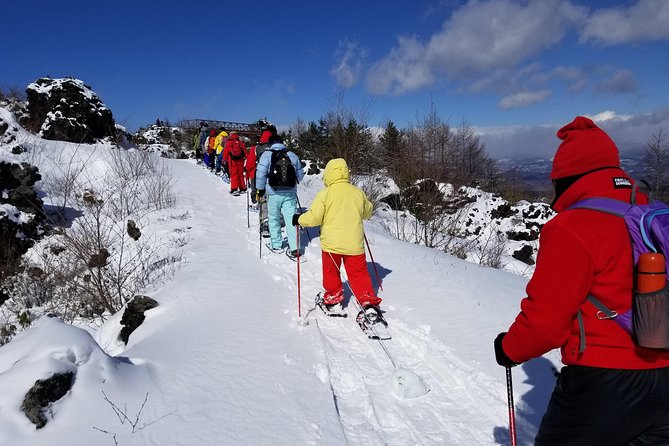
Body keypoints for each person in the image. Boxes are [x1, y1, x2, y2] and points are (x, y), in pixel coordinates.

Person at [494, 116, 669, 445]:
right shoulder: (652, 212)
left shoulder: (571, 227)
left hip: (604, 383)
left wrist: (509, 349)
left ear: (566, 177)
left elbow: (546, 322)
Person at [294, 158, 382, 313]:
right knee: (359, 273)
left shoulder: (325, 194)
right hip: (354, 244)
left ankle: (333, 299)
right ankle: (367, 301)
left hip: (331, 244)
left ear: (328, 174)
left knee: (331, 272)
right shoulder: (357, 192)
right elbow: (367, 211)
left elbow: (314, 217)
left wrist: (299, 219)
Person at [255, 138, 304, 256]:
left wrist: (260, 190)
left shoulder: (266, 155)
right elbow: (300, 176)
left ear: (271, 145)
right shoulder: (291, 155)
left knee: (274, 219)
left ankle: (276, 244)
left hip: (273, 192)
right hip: (290, 193)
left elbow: (260, 174)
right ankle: (294, 248)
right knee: (292, 220)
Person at [246, 130, 274, 236]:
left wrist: (248, 171)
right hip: (274, 177)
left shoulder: (256, 148)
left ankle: (265, 222)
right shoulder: (275, 148)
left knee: (262, 196)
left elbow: (249, 164)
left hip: (259, 175)